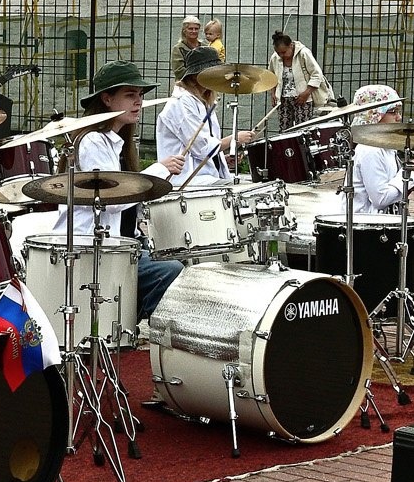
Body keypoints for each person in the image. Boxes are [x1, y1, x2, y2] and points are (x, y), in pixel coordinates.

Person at [49, 63, 182, 319]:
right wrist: (158, 169)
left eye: (140, 96)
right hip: (90, 248)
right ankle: (136, 328)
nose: (139, 102)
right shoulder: (92, 141)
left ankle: (129, 323)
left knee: (175, 258)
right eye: (130, 95)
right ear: (107, 99)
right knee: (170, 270)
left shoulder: (115, 142)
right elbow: (114, 199)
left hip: (115, 245)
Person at [153, 45, 256, 188]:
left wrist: (221, 161)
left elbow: (202, 149)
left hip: (203, 177)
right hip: (186, 181)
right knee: (247, 190)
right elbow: (201, 148)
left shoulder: (201, 100)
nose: (218, 77)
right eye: (213, 72)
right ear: (196, 76)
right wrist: (234, 139)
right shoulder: (182, 102)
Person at [345, 83, 414, 215]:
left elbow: (391, 190)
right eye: (393, 112)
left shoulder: (385, 147)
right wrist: (407, 175)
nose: (399, 117)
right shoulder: (370, 150)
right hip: (365, 226)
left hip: (381, 223)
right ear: (374, 114)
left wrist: (410, 183)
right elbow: (381, 199)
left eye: (399, 112)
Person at [271, 30, 331, 126]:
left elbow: (317, 74)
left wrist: (306, 93)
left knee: (302, 130)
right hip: (283, 100)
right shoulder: (275, 57)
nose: (281, 56)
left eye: (284, 52)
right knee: (284, 130)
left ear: (291, 45)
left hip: (303, 99)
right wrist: (273, 93)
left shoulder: (303, 53)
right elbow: (271, 76)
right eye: (278, 53)